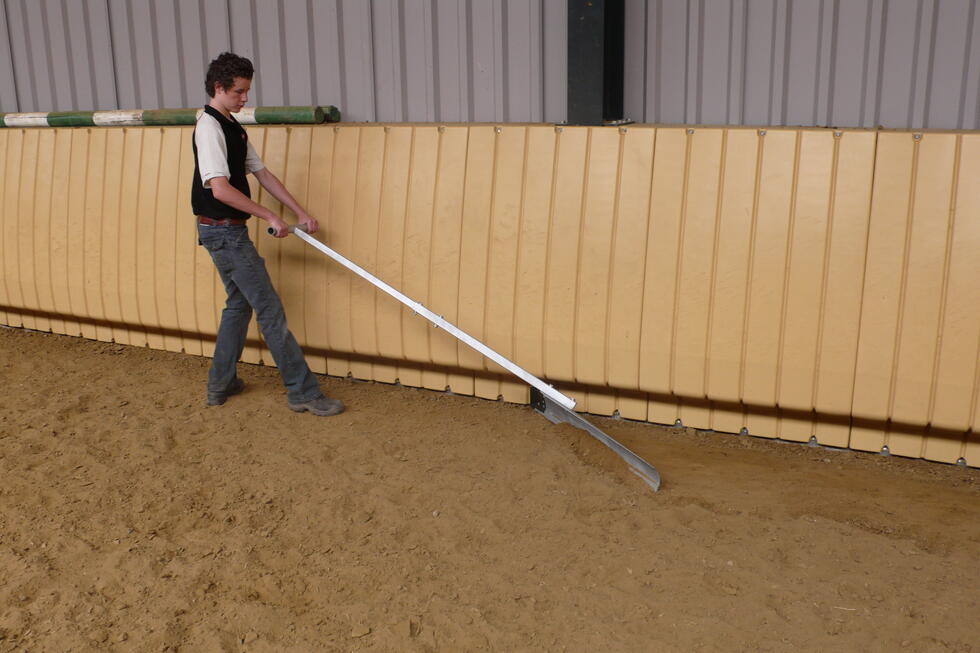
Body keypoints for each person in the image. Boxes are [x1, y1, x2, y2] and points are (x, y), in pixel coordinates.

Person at [191, 52, 343, 417]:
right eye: (239, 92)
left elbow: (263, 174)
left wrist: (299, 212)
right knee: (269, 309)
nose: (245, 99)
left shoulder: (233, 127)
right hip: (224, 234)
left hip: (225, 232)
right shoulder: (209, 128)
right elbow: (220, 189)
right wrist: (269, 216)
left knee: (239, 306)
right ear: (219, 88)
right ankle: (302, 391)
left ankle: (221, 382)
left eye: (247, 91)